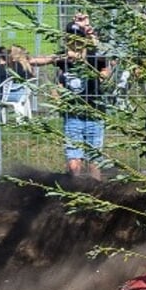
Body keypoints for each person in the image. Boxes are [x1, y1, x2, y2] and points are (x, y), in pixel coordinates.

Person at [32, 22, 113, 179]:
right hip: (72, 116)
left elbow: (105, 70)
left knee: (94, 160)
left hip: (93, 114)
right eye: (70, 39)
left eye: (77, 39)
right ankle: (76, 189)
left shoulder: (92, 55)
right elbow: (41, 60)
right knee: (73, 162)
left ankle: (95, 191)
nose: (74, 43)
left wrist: (99, 75)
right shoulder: (64, 57)